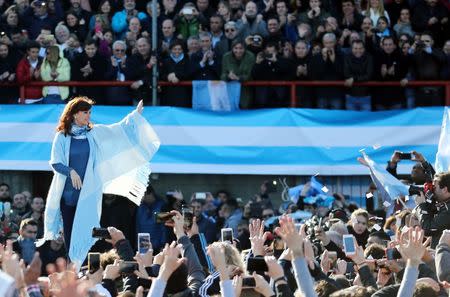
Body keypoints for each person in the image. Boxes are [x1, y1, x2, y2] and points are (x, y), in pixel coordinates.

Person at [39, 97, 160, 269]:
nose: (88, 116)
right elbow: (55, 162)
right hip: (67, 196)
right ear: (74, 114)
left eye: (89, 112)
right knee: (69, 237)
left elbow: (117, 130)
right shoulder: (62, 136)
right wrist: (70, 171)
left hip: (88, 194)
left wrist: (135, 116)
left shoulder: (92, 133)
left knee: (86, 236)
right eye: (85, 112)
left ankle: (80, 272)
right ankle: (71, 273)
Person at [415, 172, 450, 249]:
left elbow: (428, 228)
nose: (432, 191)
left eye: (434, 188)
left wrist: (421, 205)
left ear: (444, 189)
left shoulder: (448, 209)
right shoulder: (444, 205)